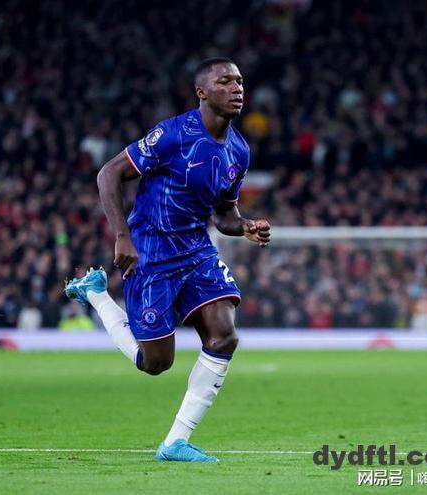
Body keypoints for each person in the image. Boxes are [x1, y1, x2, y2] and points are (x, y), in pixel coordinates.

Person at [65, 58, 270, 462]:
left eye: (240, 81)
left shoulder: (239, 150)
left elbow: (223, 214)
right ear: (202, 92)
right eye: (225, 81)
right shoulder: (173, 134)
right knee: (155, 363)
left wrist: (244, 226)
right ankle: (97, 296)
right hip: (151, 250)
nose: (236, 88)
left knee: (224, 336)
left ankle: (175, 442)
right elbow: (109, 174)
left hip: (196, 249)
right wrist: (122, 236)